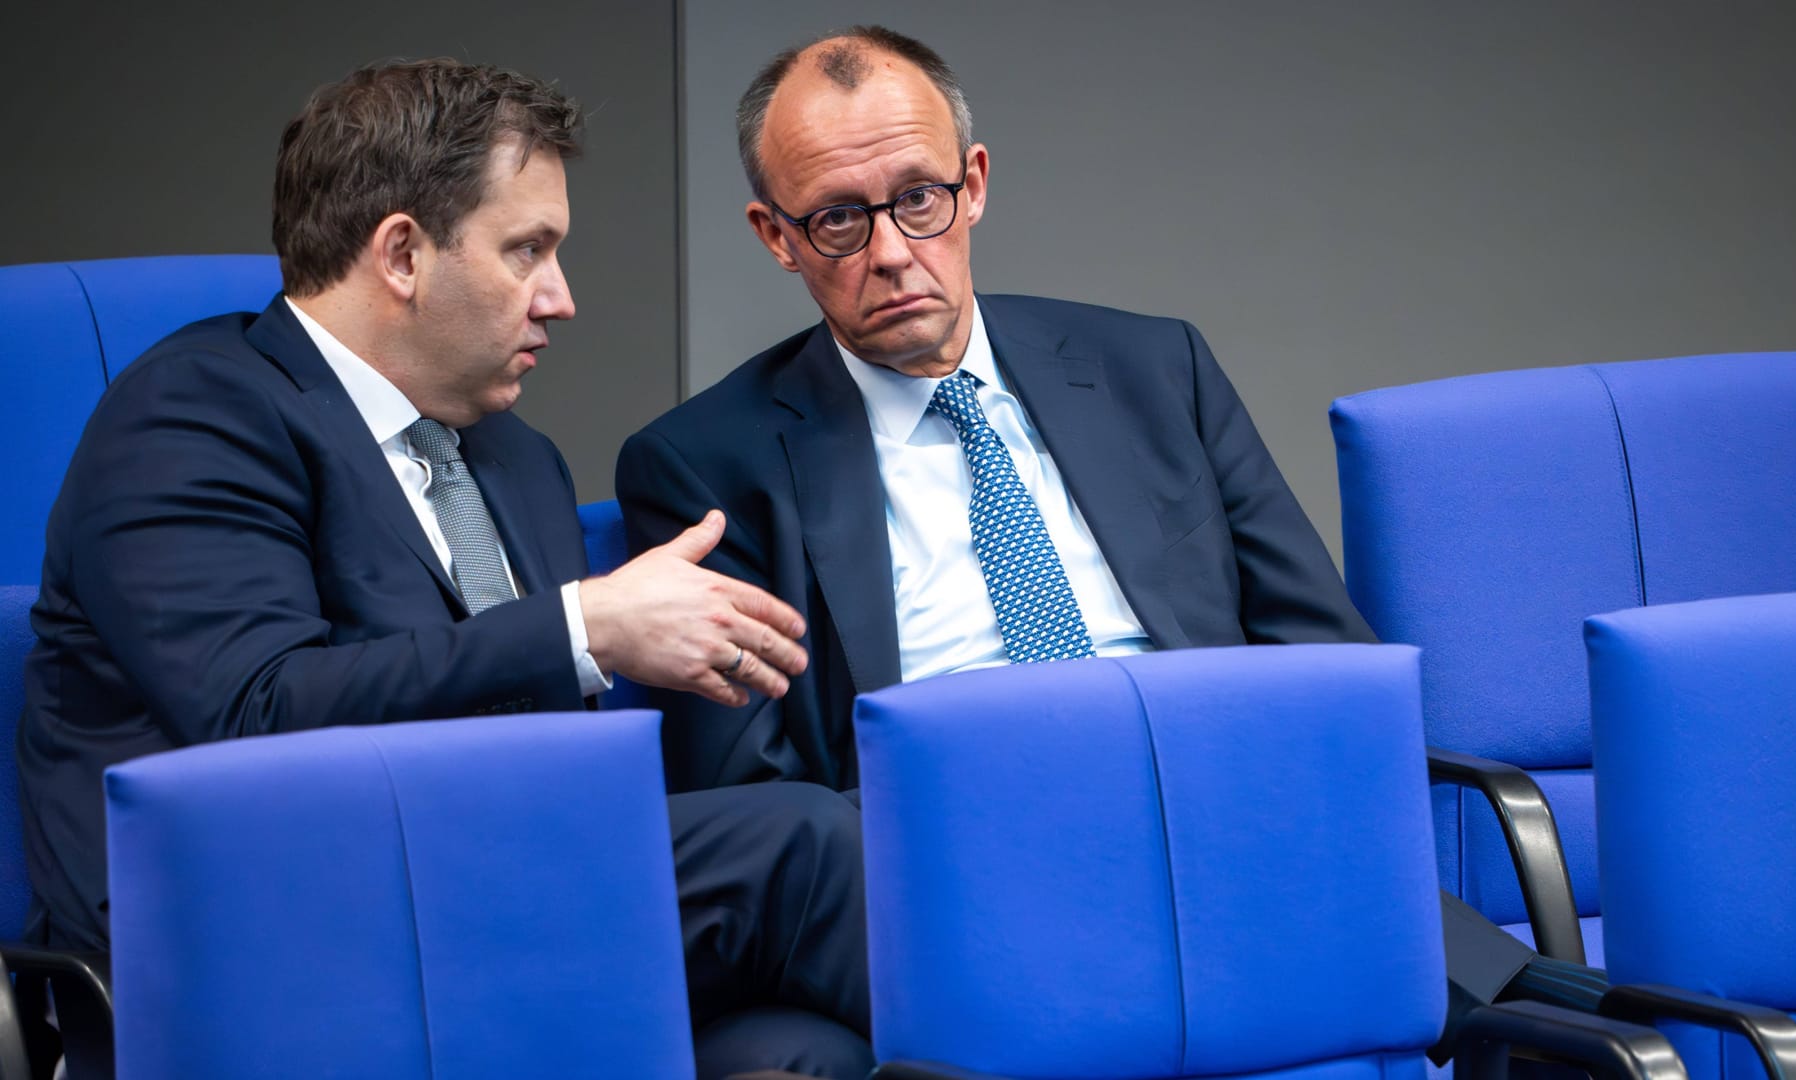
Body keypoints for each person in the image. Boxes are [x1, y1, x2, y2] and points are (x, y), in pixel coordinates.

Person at [617, 26, 1609, 1064]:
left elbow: (1328, 664)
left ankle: (1537, 1016)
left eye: (919, 197)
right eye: (835, 221)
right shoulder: (704, 464)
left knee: (1590, 1041)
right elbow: (760, 816)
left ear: (976, 183)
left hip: (1216, 817)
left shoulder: (1151, 367)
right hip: (965, 869)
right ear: (775, 235)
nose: (893, 251)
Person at [19, 58, 870, 1080]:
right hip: (267, 933)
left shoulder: (516, 457)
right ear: (403, 254)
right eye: (528, 251)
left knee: (808, 1049)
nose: (561, 299)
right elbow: (255, 714)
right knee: (803, 849)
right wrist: (583, 629)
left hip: (475, 891)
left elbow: (551, 775)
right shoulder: (194, 416)